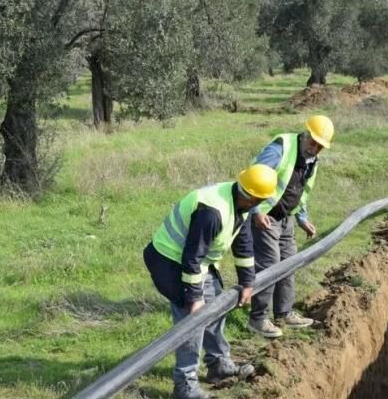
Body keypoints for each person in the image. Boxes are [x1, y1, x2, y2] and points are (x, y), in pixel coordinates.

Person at [143, 164, 278, 399]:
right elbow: (191, 257)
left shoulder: (241, 201)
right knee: (192, 322)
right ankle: (185, 384)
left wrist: (248, 282)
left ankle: (218, 365)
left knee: (215, 306)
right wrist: (194, 298)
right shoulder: (213, 212)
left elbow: (243, 242)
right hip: (169, 260)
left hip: (194, 261)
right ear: (255, 197)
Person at [246, 115, 334, 339]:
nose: (315, 148)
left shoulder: (312, 161)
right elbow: (254, 178)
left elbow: (301, 190)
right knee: (269, 264)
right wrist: (256, 211)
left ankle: (284, 313)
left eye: (320, 146)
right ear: (305, 135)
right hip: (265, 216)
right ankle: (257, 319)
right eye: (313, 143)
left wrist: (302, 218)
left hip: (286, 218)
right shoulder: (281, 149)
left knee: (290, 262)